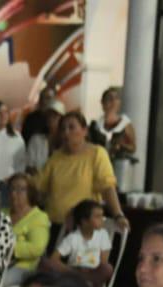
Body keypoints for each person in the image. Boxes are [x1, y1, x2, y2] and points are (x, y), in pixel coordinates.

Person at [35, 111, 127, 240]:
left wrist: (118, 215)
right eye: (63, 129)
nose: (66, 133)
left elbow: (107, 187)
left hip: (82, 228)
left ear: (84, 130)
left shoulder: (97, 154)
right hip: (53, 225)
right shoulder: (55, 157)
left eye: (71, 127)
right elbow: (39, 188)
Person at [41, 198, 113, 287]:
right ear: (84, 221)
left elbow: (103, 262)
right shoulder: (73, 237)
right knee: (45, 262)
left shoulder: (103, 235)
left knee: (107, 268)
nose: (102, 219)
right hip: (74, 270)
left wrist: (89, 271)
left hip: (93, 272)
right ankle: (82, 281)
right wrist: (72, 270)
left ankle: (86, 282)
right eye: (97, 217)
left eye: (102, 216)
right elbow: (54, 258)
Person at [2, 173, 50, 287]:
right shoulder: (2, 213)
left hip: (23, 266)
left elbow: (37, 248)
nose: (14, 193)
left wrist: (9, 248)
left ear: (30, 192)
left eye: (20, 190)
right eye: (12, 189)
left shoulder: (38, 217)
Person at [90, 87, 137, 188]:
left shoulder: (125, 124)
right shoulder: (96, 125)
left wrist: (120, 145)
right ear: (103, 103)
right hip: (98, 167)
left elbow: (133, 147)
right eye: (109, 98)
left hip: (118, 169)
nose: (112, 102)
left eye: (116, 98)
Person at [24, 107, 62, 175]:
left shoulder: (66, 141)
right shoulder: (36, 139)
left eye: (55, 116)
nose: (51, 119)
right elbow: (28, 165)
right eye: (49, 116)